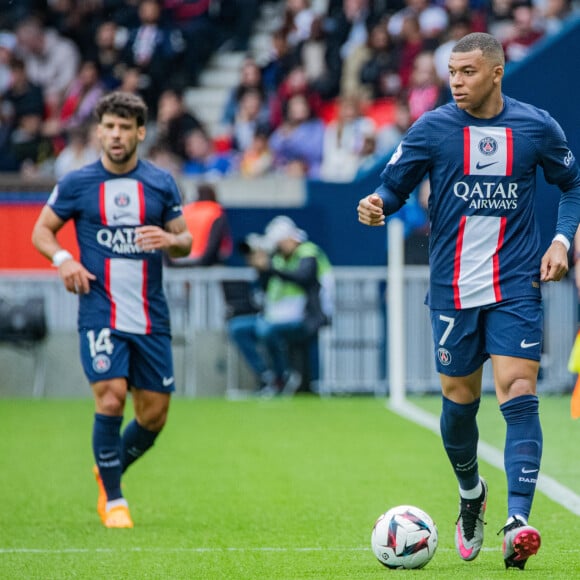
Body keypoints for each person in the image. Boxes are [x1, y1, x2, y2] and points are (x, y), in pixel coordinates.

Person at [357, 32, 580, 569]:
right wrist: (376, 204)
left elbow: (571, 185)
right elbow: (394, 187)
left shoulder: (535, 126)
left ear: (497, 72)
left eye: (468, 72)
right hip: (453, 289)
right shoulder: (432, 128)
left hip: (515, 284)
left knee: (519, 389)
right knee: (459, 404)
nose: (456, 82)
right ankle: (471, 494)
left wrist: (560, 241)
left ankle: (518, 520)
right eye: (452, 72)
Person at [31, 91, 193, 529]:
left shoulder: (161, 183)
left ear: (140, 132)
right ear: (98, 132)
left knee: (154, 415)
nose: (116, 135)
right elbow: (42, 231)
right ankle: (115, 499)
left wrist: (169, 240)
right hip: (99, 310)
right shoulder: (76, 183)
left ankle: (107, 465)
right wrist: (64, 260)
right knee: (111, 396)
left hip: (150, 315)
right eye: (109, 127)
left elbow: (186, 239)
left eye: (125, 127)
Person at [228, 216, 333, 396]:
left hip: (306, 316)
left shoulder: (308, 252)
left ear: (291, 238)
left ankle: (283, 375)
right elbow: (265, 287)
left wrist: (270, 268)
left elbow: (303, 277)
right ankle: (267, 377)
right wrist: (261, 268)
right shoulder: (278, 259)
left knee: (266, 330)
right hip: (275, 316)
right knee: (238, 328)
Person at [167, 182, 233, 267]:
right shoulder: (215, 212)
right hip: (203, 261)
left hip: (178, 260)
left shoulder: (185, 211)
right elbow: (215, 243)